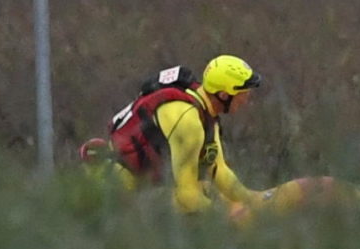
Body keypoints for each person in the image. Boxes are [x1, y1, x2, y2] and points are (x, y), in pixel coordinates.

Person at [90, 54, 268, 217]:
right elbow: (187, 197)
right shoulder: (188, 123)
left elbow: (218, 170)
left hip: (139, 188)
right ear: (223, 95)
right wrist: (227, 216)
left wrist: (251, 200)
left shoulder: (204, 110)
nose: (247, 99)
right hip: (113, 191)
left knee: (206, 190)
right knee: (200, 192)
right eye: (243, 93)